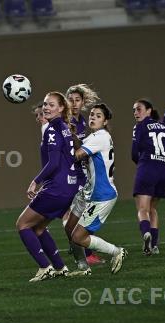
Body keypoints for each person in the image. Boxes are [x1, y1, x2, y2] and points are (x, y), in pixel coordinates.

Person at [16, 92, 78, 282]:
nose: (46, 107)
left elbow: (53, 163)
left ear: (61, 108)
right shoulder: (64, 127)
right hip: (68, 188)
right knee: (39, 228)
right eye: (45, 104)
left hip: (56, 188)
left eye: (51, 104)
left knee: (23, 224)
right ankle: (60, 267)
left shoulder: (52, 129)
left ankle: (45, 267)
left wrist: (36, 181)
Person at [65, 104, 127, 276]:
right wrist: (72, 134)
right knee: (70, 227)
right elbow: (80, 146)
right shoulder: (97, 136)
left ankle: (116, 251)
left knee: (78, 236)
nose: (92, 117)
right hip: (91, 192)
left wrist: (63, 142)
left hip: (102, 195)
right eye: (91, 114)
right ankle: (82, 268)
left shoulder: (100, 137)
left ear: (105, 121)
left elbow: (77, 155)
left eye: (98, 116)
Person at [64, 84, 105, 265]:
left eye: (77, 100)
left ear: (83, 102)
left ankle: (78, 248)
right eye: (70, 100)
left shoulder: (81, 121)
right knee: (78, 215)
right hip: (67, 173)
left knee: (78, 214)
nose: (73, 103)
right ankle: (84, 254)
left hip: (79, 172)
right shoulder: (65, 121)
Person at [132, 99, 165, 255]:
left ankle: (146, 234)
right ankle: (154, 245)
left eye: (139, 109)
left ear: (149, 111)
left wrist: (141, 164)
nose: (135, 113)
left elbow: (134, 153)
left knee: (142, 209)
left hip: (148, 168)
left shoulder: (140, 126)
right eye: (134, 110)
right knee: (153, 208)